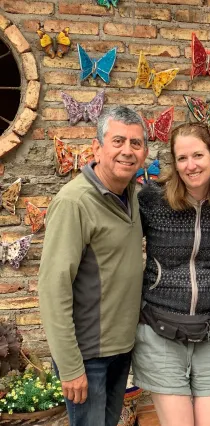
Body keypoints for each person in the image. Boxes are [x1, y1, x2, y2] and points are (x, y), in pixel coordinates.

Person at [39, 106, 149, 426]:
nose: (127, 151)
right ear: (97, 147)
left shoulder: (133, 195)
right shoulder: (75, 202)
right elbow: (52, 287)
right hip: (87, 357)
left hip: (120, 350)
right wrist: (70, 366)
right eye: (118, 141)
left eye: (136, 143)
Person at [132, 123, 210, 426]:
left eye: (198, 155)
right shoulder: (152, 200)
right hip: (161, 331)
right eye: (182, 158)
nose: (191, 166)